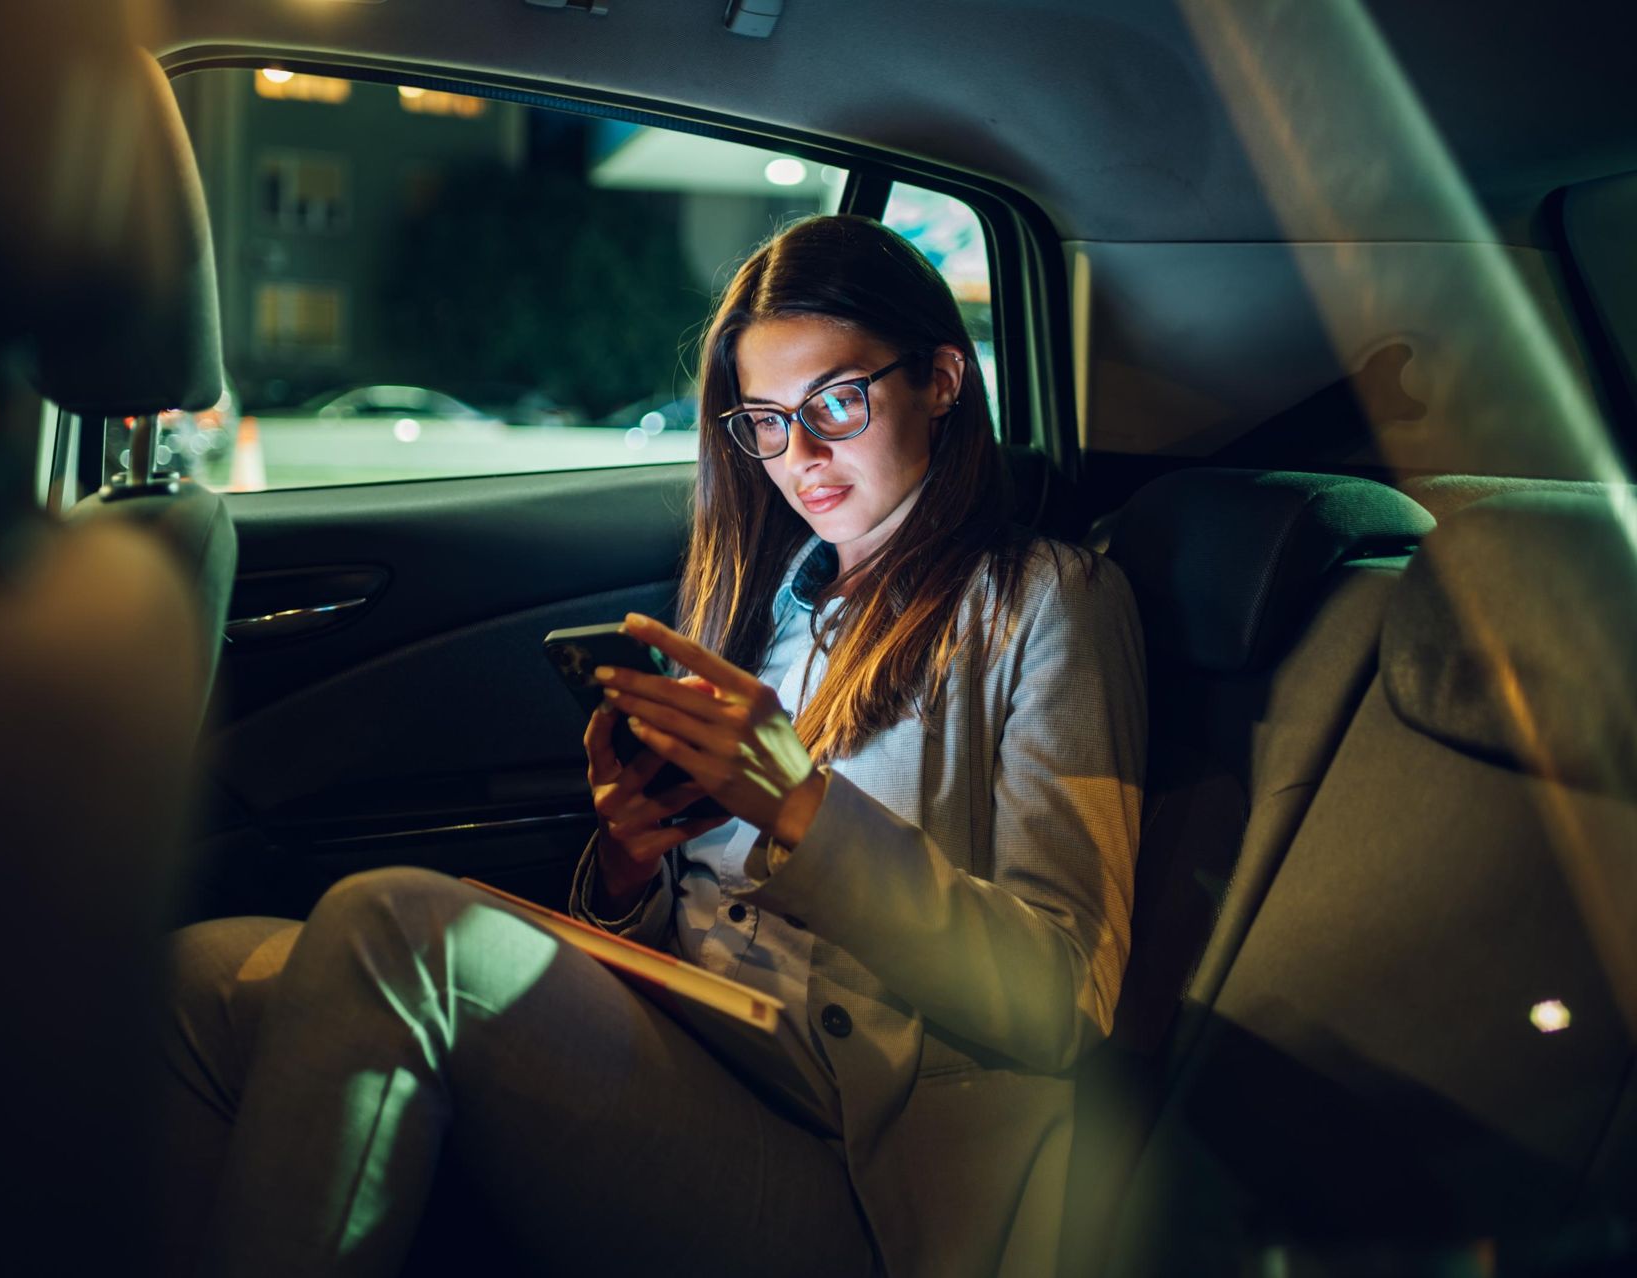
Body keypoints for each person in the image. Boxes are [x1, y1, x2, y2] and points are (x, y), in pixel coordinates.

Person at [161, 214, 1146, 1278]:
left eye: (835, 403)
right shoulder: (767, 606)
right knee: (203, 972)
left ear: (943, 380)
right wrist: (630, 867)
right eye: (765, 421)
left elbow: (1064, 999)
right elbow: (694, 921)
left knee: (391, 925)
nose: (800, 456)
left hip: (864, 1159)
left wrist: (805, 810)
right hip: (709, 1045)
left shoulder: (1048, 602)